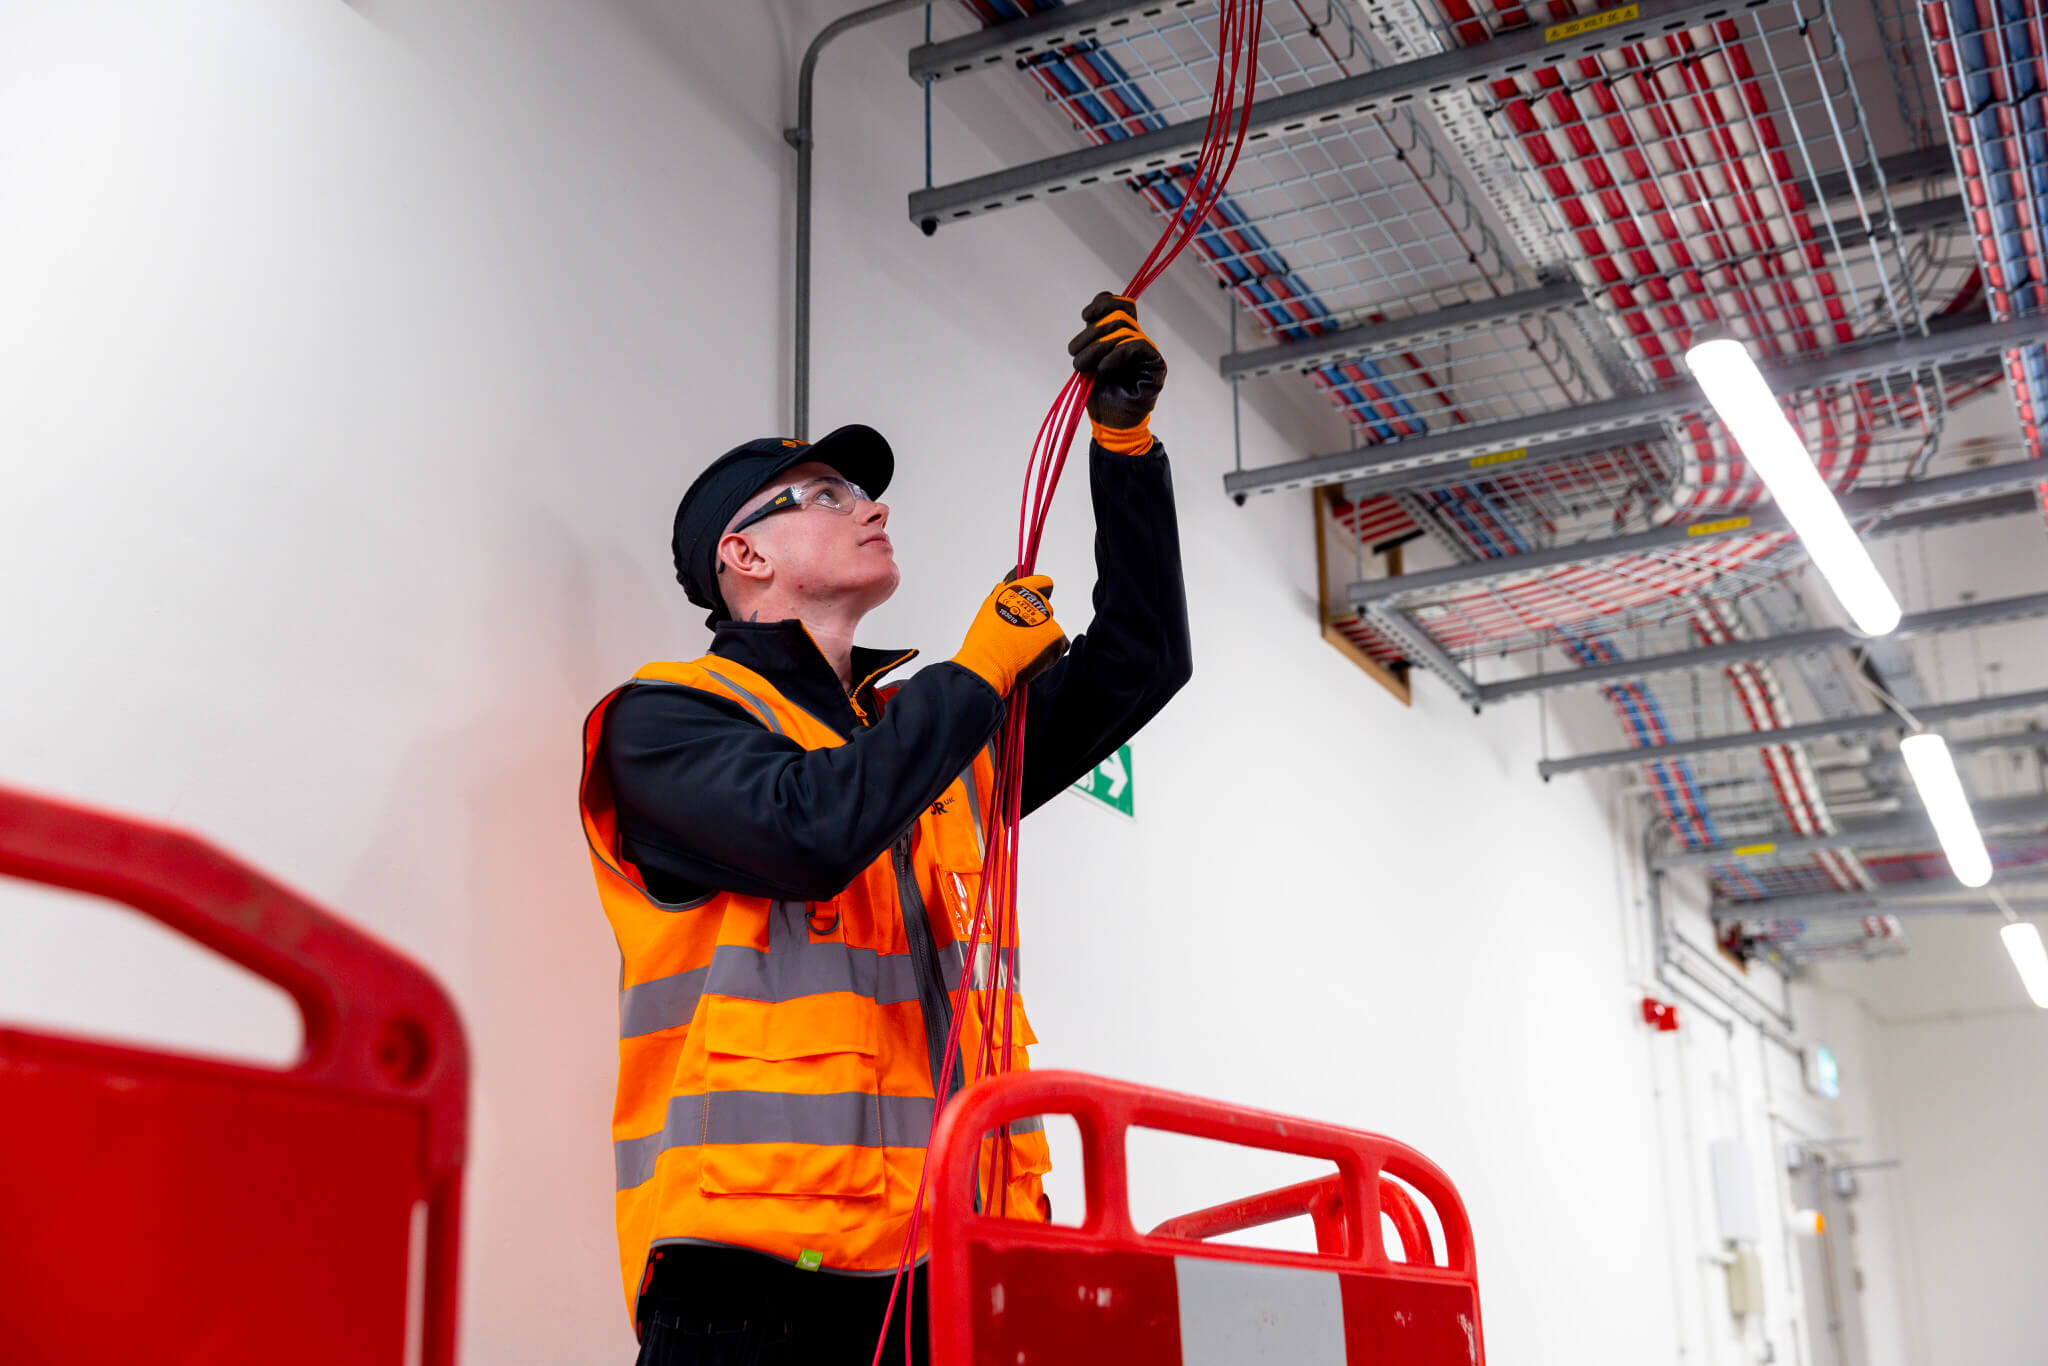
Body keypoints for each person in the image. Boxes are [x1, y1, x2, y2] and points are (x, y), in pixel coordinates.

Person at [575, 294, 1192, 1365]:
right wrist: (977, 673)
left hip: (949, 1262)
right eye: (818, 494)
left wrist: (1124, 447)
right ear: (744, 558)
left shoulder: (918, 735)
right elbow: (809, 829)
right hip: (752, 1279)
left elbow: (1142, 658)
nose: (864, 505)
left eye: (860, 489)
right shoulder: (660, 722)